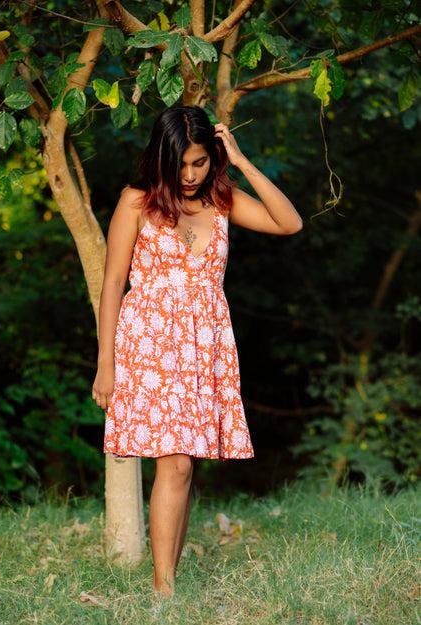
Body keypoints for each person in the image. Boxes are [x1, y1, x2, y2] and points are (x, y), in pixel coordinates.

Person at [92, 105, 303, 597]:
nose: (189, 175)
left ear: (213, 158)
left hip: (203, 346)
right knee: (177, 463)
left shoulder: (224, 200)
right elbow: (111, 284)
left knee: (186, 464)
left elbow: (289, 223)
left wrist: (244, 162)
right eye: (181, 163)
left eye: (200, 163)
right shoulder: (135, 202)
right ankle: (163, 589)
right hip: (150, 346)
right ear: (161, 157)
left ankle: (167, 579)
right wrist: (106, 363)